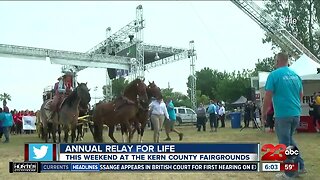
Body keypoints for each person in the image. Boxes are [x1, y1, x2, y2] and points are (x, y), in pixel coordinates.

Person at [262, 52, 306, 178]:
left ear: (278, 61)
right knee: (290, 140)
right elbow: (301, 94)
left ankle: (289, 173)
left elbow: (268, 96)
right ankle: (300, 166)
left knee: (284, 144)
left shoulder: (274, 75)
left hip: (282, 114)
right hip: (295, 113)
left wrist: (264, 113)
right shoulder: (296, 75)